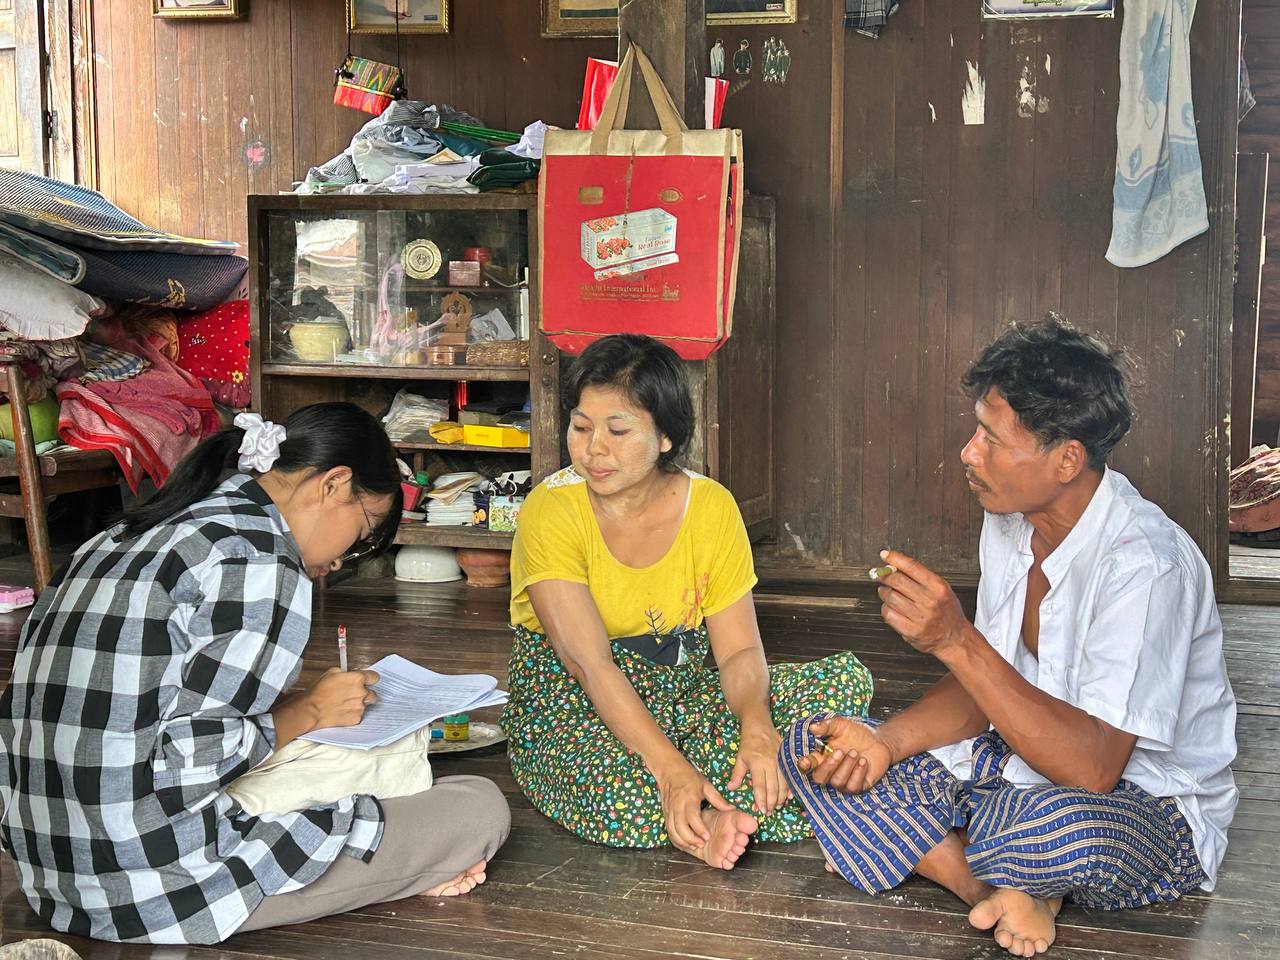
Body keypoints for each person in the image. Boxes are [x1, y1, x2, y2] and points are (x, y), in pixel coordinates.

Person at [782, 317, 1237, 958]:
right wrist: (886, 741)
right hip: (1006, 771)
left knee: (1052, 833)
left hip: (1137, 805)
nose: (970, 452)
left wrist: (954, 640)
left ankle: (945, 852)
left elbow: (1094, 767)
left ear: (1066, 460)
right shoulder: (1011, 521)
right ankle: (990, 890)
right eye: (976, 431)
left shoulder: (1145, 563)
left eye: (992, 439)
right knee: (817, 748)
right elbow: (984, 688)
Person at [0, 403, 510, 944]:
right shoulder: (259, 558)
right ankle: (411, 868)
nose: (341, 560)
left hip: (51, 876)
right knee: (476, 807)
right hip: (155, 889)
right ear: (335, 484)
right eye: (361, 535)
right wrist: (308, 711)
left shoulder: (123, 535)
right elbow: (193, 765)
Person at [501, 334, 873, 870]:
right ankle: (706, 802)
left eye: (618, 430)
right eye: (581, 427)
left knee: (839, 684)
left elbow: (740, 651)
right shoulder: (551, 511)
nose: (592, 448)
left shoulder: (712, 508)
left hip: (683, 685)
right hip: (575, 700)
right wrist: (668, 767)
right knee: (619, 799)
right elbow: (589, 664)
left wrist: (755, 723)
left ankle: (704, 804)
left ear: (667, 437)